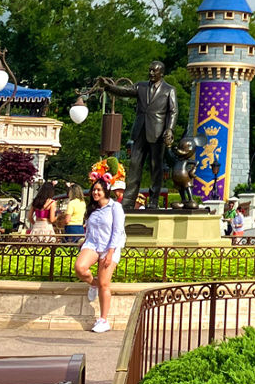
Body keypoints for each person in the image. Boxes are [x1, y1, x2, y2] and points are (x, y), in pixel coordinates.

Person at [96, 63, 178, 209]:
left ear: (162, 73)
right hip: (140, 131)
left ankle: (153, 201)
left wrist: (170, 129)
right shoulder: (141, 86)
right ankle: (128, 200)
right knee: (134, 166)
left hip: (158, 133)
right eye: (150, 70)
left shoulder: (169, 90)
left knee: (155, 168)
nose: (151, 73)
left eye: (155, 71)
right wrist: (109, 87)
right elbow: (125, 91)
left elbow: (173, 111)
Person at [75, 177, 126, 333]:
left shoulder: (114, 207)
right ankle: (93, 284)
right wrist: (84, 242)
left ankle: (103, 319)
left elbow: (117, 231)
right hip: (93, 244)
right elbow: (89, 229)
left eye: (99, 190)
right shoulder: (92, 208)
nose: (95, 192)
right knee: (80, 268)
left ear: (106, 191)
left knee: (105, 283)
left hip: (110, 246)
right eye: (94, 190)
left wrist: (110, 252)